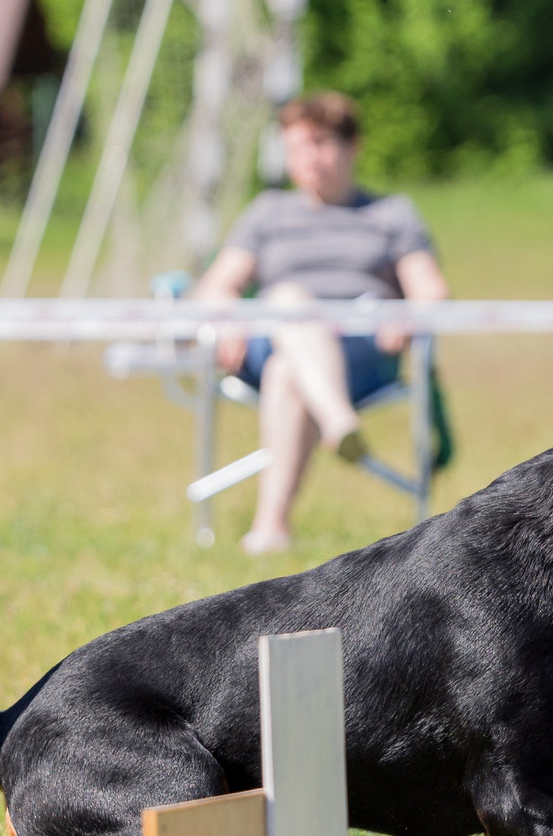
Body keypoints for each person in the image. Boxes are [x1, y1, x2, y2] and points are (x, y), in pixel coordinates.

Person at [188, 92, 449, 555]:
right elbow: (216, 286)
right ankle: (337, 421)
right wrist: (227, 320)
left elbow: (430, 289)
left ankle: (270, 528)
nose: (308, 158)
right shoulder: (267, 212)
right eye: (296, 147)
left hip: (361, 350)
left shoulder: (390, 213)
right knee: (288, 299)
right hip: (273, 337)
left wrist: (408, 315)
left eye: (321, 143)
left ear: (352, 146)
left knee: (287, 370)